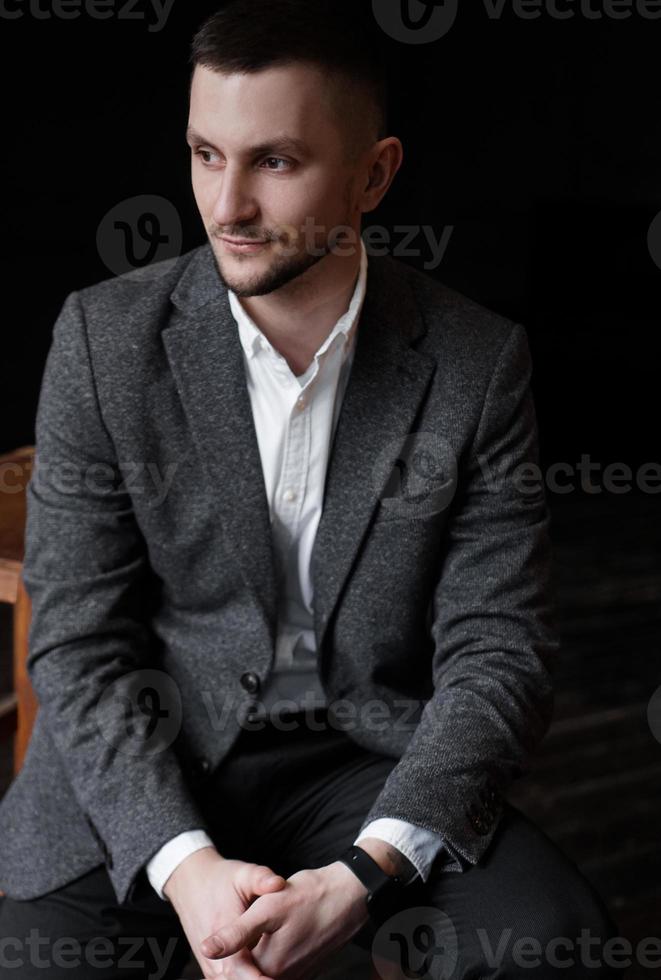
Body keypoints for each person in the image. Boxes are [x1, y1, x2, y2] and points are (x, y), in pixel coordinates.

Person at [0, 1, 624, 978]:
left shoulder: (475, 362)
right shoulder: (101, 338)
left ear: (374, 173)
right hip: (155, 747)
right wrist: (187, 864)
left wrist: (359, 877)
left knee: (549, 945)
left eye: (274, 162)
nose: (227, 206)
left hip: (364, 754)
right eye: (207, 155)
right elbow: (80, 643)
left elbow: (497, 652)